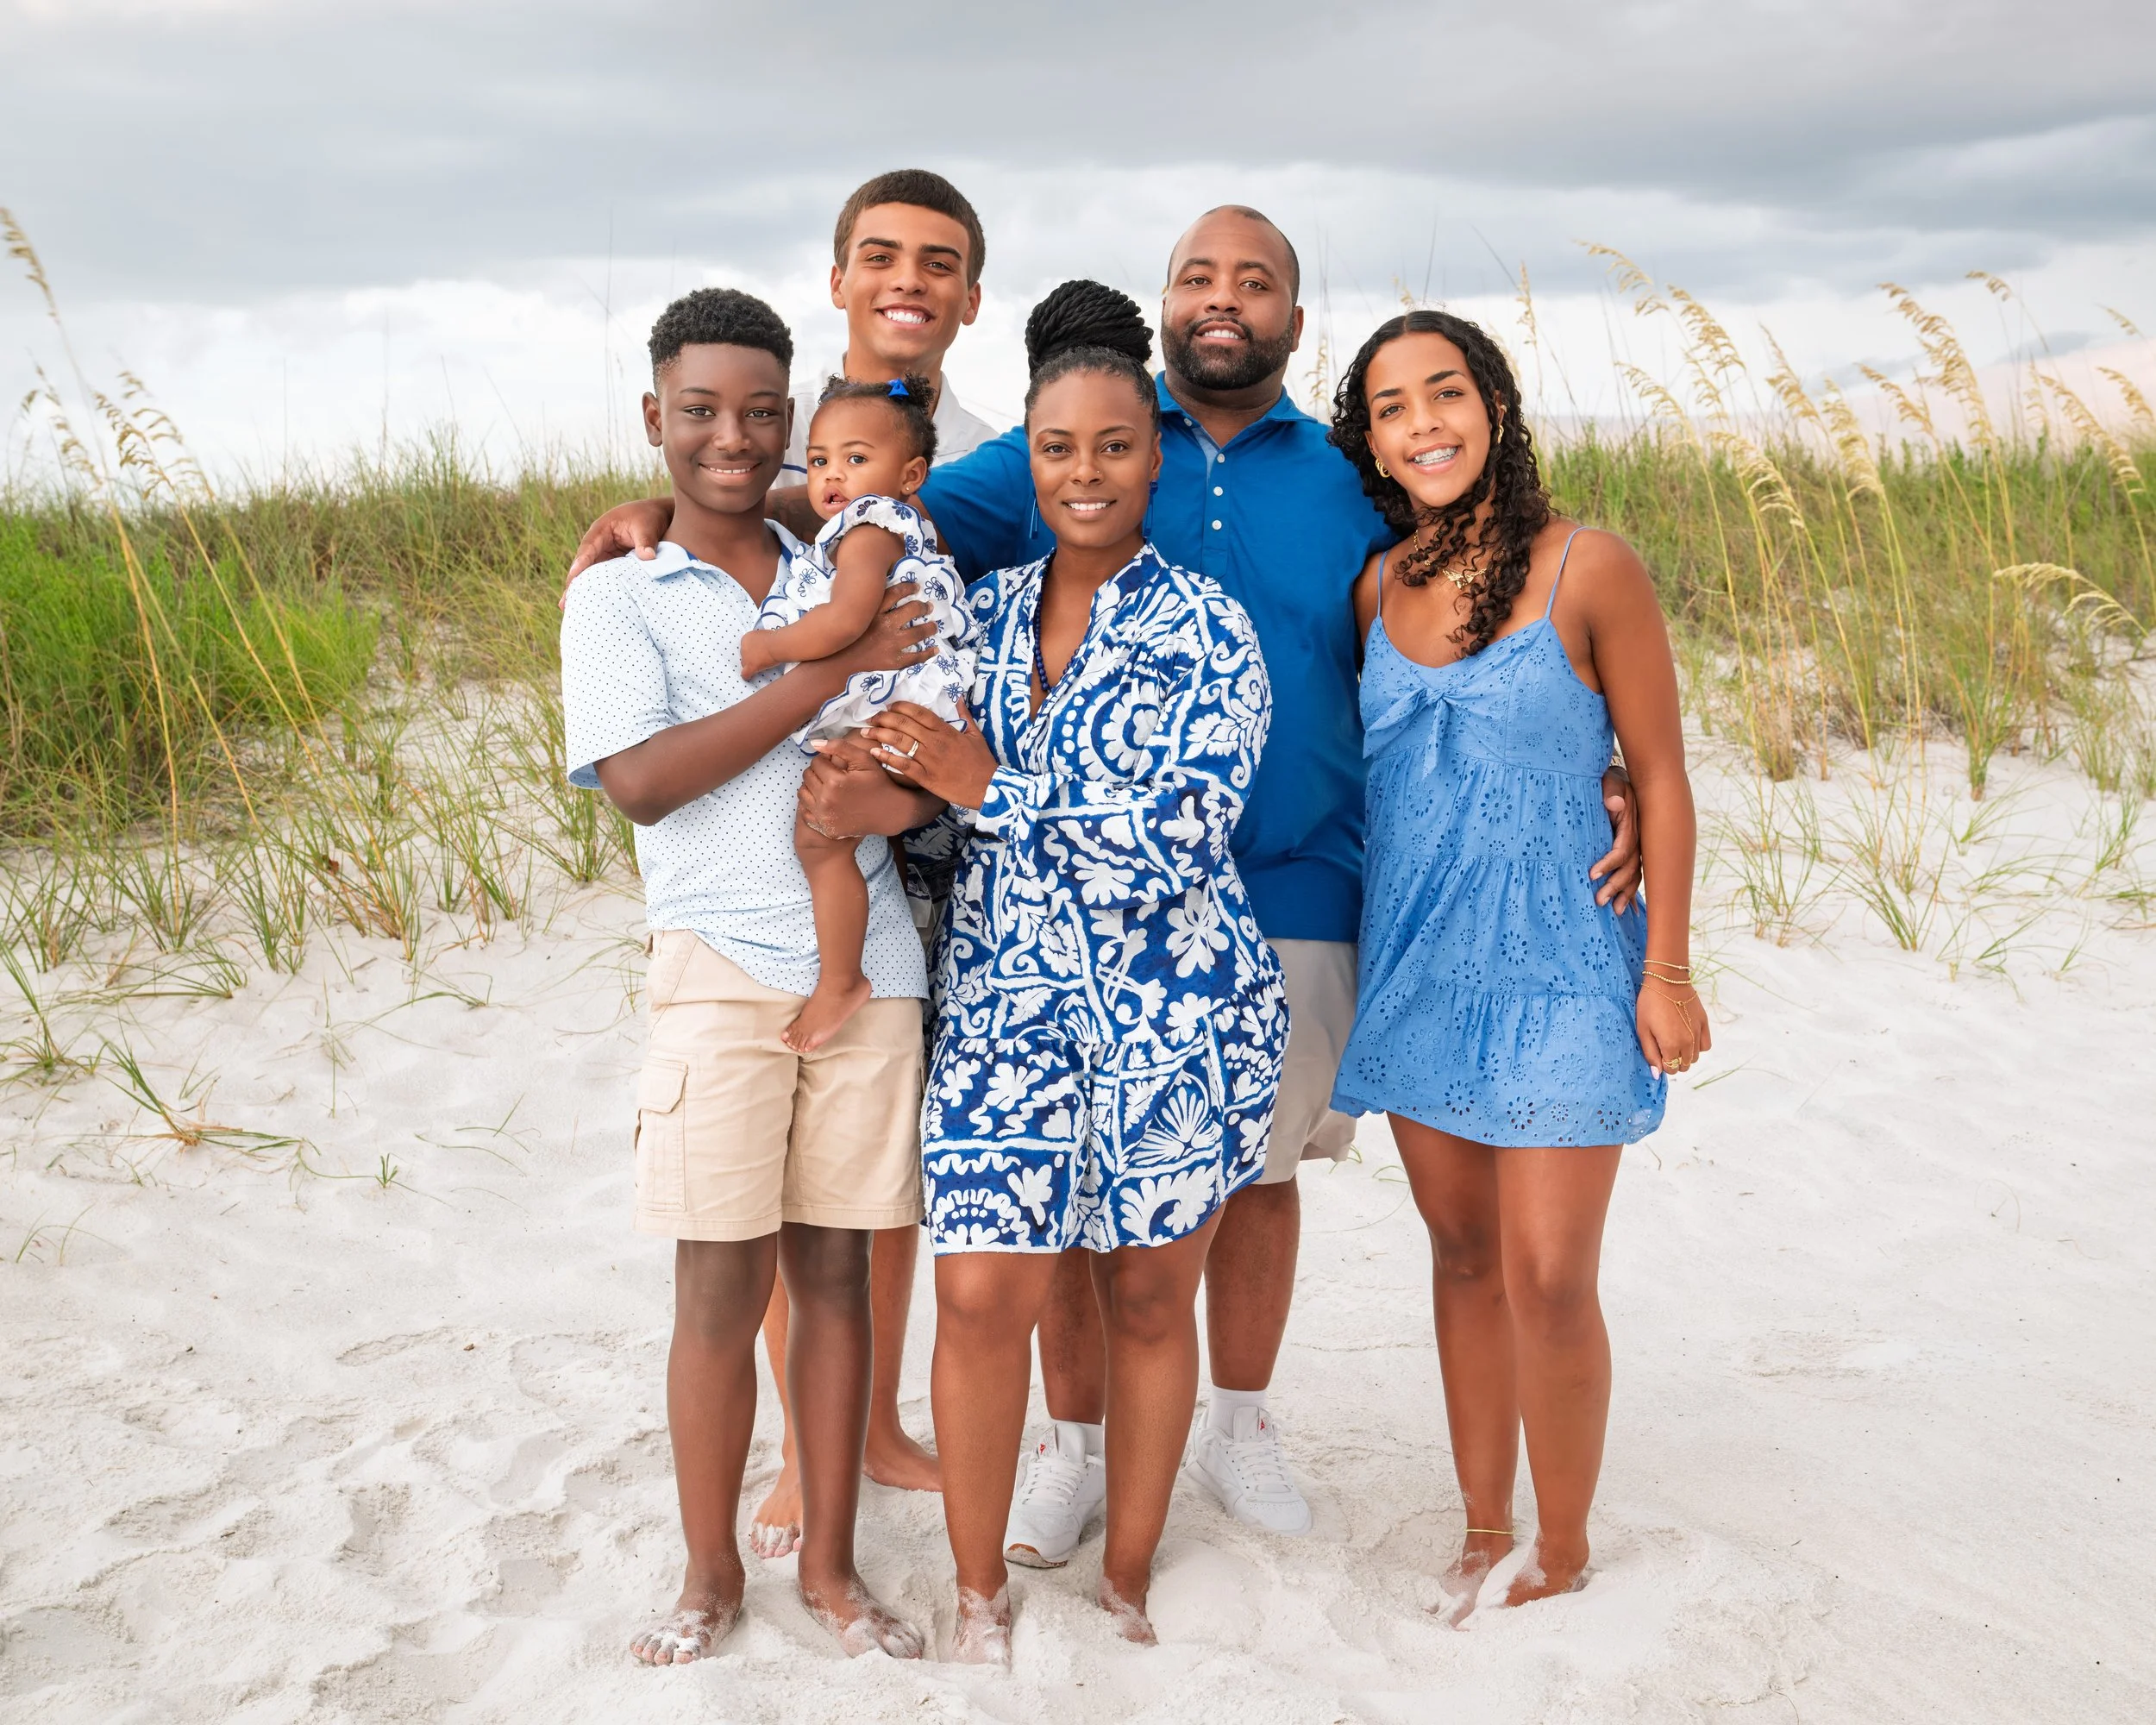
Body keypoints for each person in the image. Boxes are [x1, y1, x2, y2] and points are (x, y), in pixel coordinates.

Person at [571, 208, 1645, 1562]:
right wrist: (672, 508)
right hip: (1051, 905)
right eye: (1199, 276)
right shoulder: (1055, 446)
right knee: (1080, 1209)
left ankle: (1239, 1422)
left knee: (1253, 1179)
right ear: (1162, 309)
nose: (1224, 301)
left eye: (1256, 285)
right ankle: (1073, 1449)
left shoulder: (1345, 474)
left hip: (1298, 880)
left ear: (1294, 329)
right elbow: (874, 507)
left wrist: (1595, 773)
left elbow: (1467, 588)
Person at [851, 330, 1287, 1659]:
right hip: (1001, 1007)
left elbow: (1183, 841)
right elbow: (907, 787)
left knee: (1153, 1300)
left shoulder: (1211, 628)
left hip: (1182, 1017)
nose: (1085, 472)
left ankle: (1134, 1574)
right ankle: (979, 1592)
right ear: (1027, 459)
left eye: (1113, 445)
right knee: (985, 1297)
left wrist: (994, 787)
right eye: (1057, 447)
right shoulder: (972, 618)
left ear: (1155, 455)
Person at [558, 285, 940, 1664]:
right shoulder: (620, 591)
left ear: (792, 422)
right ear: (653, 419)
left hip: (869, 958)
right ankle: (709, 1573)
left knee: (840, 1277)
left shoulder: (838, 555)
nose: (731, 436)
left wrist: (836, 628)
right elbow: (648, 784)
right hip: (720, 963)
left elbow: (922, 745)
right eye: (700, 412)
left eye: (760, 413)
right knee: (719, 1291)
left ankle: (831, 1569)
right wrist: (808, 676)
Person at [1329, 309, 1708, 1623]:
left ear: (1494, 405)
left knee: (1550, 1271)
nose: (1425, 423)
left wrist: (1665, 966)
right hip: (1422, 962)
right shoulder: (1375, 588)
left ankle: (1561, 1540)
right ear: (1368, 436)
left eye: (1447, 392)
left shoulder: (1587, 566)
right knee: (1463, 1255)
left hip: (1561, 961)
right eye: (1393, 405)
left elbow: (1657, 771)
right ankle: (1480, 1518)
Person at [741, 373, 977, 1053]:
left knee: (819, 840)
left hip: (898, 713)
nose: (832, 475)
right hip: (905, 710)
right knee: (831, 837)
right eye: (818, 460)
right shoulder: (886, 527)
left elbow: (845, 622)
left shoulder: (869, 529)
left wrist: (770, 645)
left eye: (855, 458)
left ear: (911, 475)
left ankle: (842, 980)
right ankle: (846, 976)